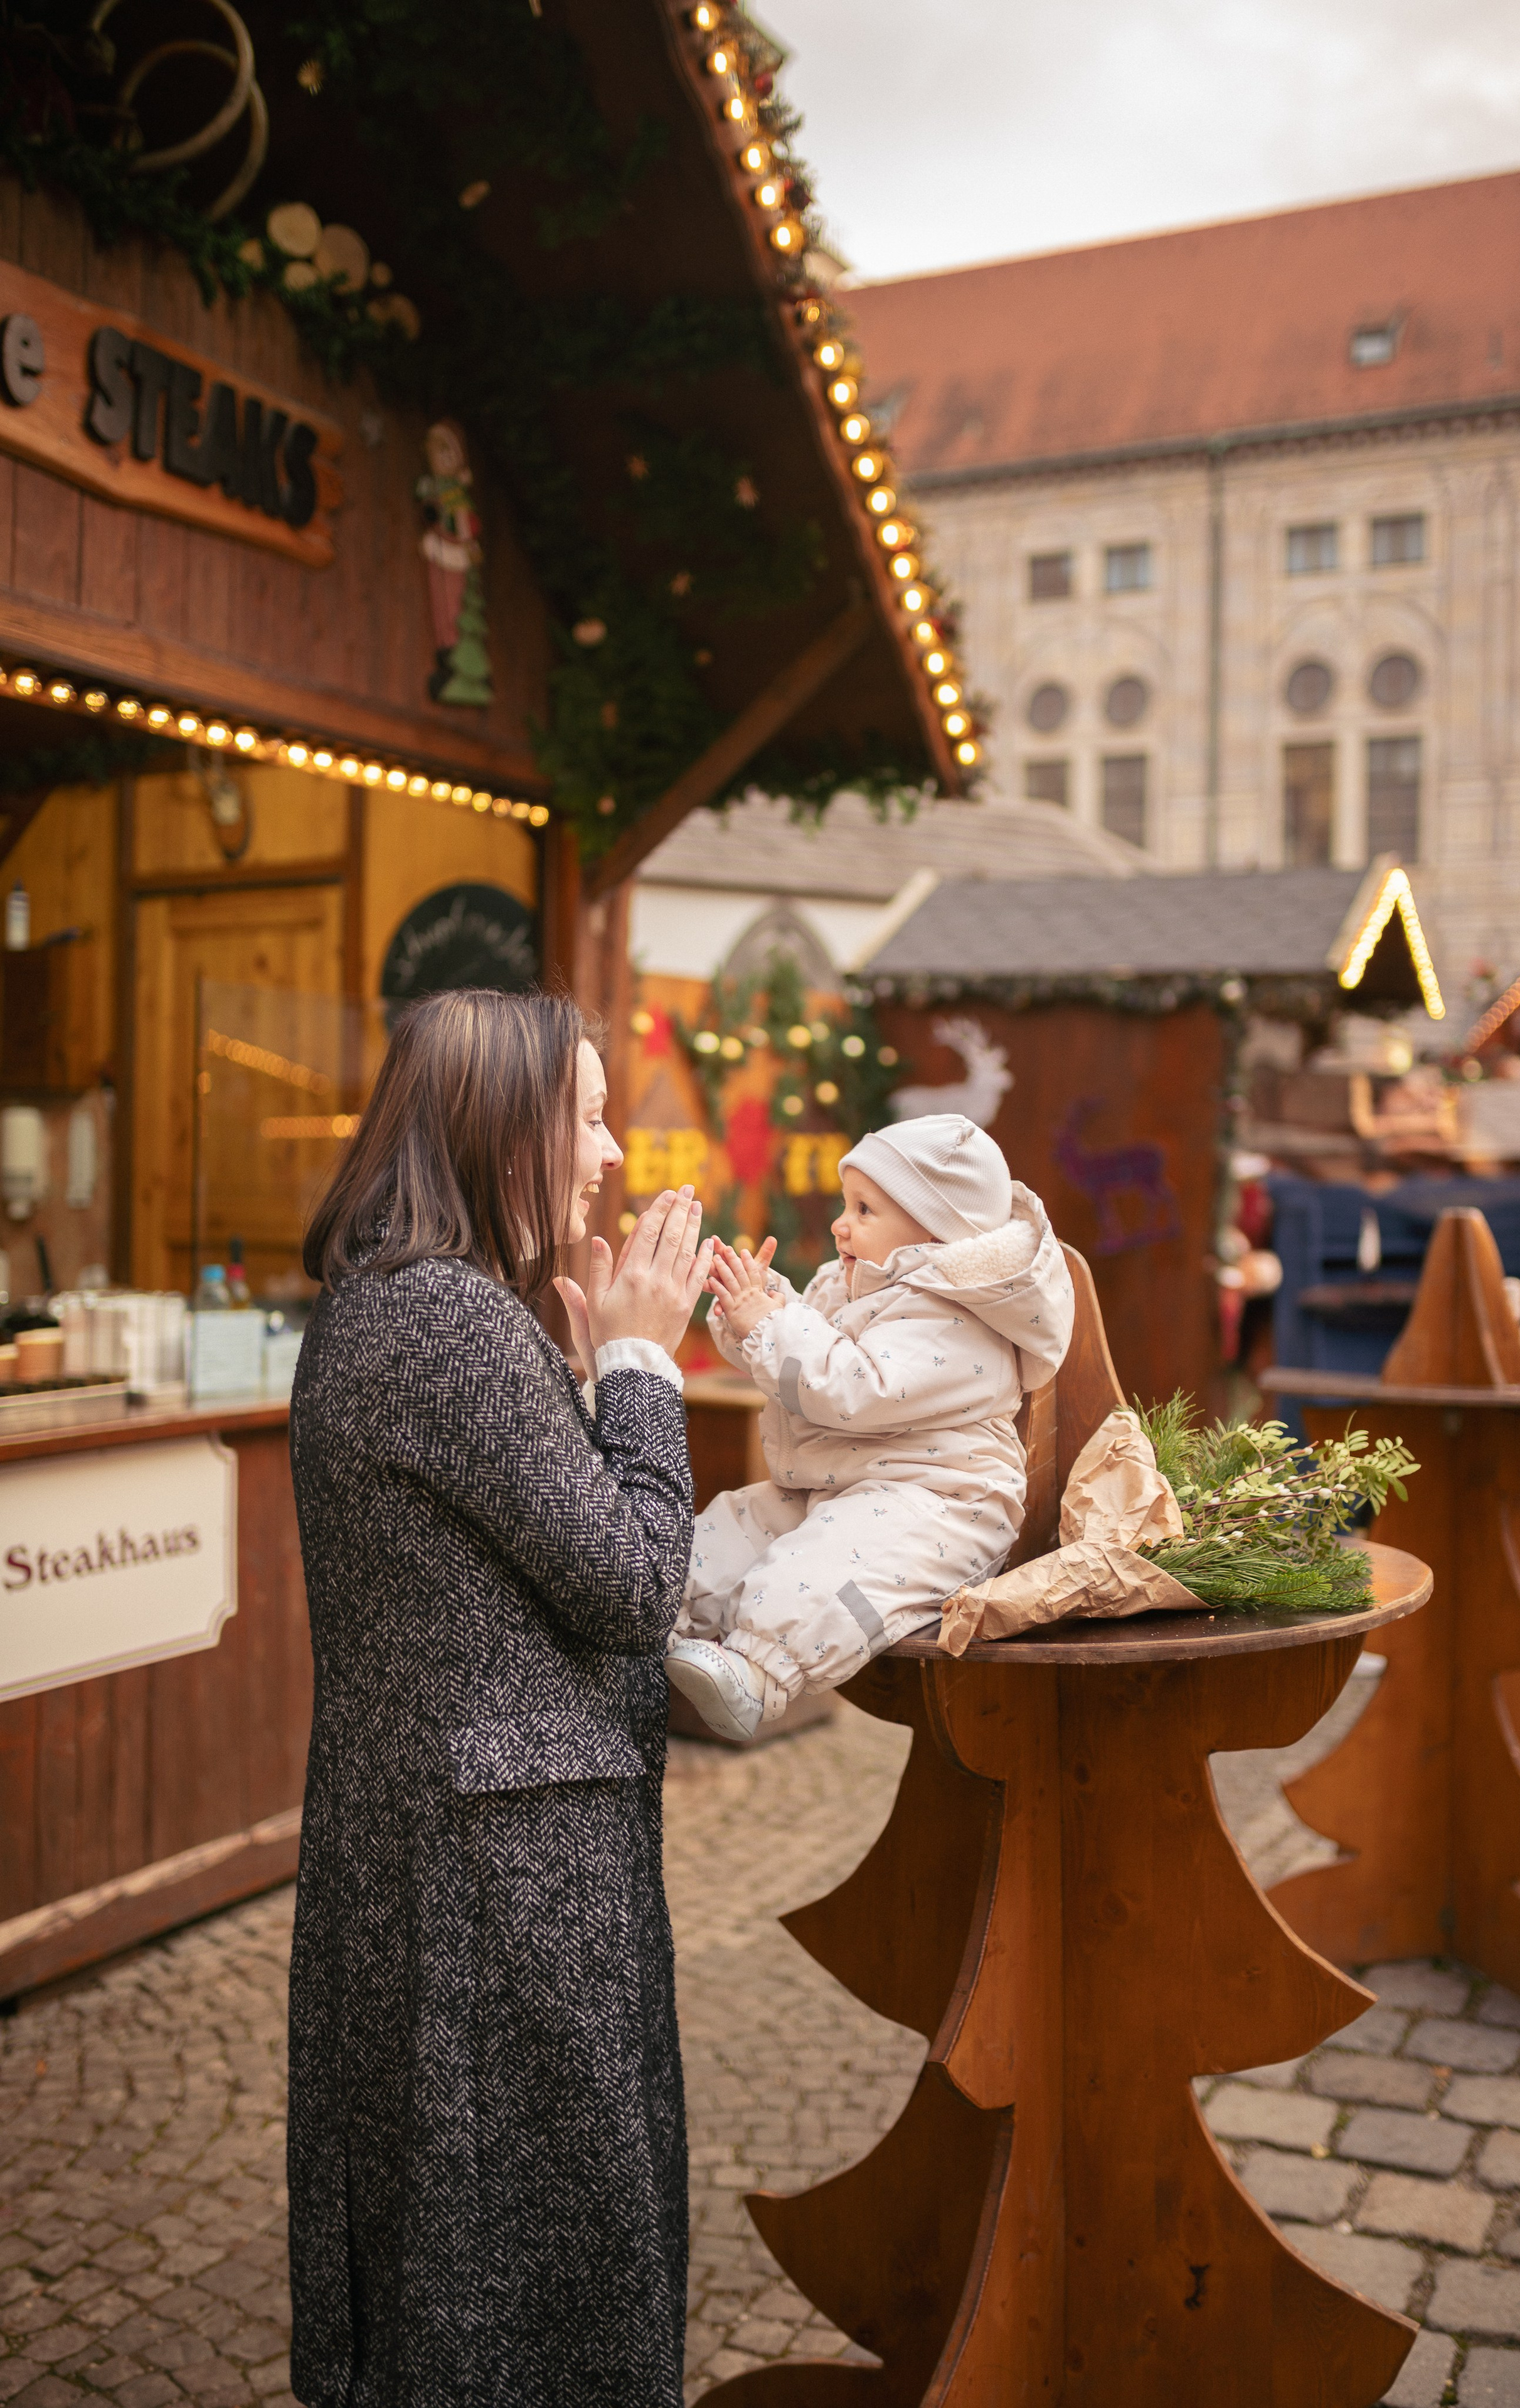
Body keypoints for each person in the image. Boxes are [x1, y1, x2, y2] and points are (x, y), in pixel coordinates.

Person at [286, 988, 712, 2408]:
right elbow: (631, 1582)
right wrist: (646, 1364)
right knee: (513, 2303)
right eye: (585, 1115)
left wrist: (598, 1384)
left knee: (476, 2278)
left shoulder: (411, 1312)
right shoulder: (446, 1325)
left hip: (475, 1867)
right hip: (497, 1899)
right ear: (499, 1127)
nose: (605, 1155)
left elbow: (542, 1549)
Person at [666, 1114, 1075, 1742]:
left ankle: (759, 1671)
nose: (840, 1222)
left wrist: (770, 1325)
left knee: (832, 1564)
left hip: (939, 1502)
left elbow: (851, 1386)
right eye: (844, 1203)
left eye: (864, 1208)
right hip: (845, 1479)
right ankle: (659, 1606)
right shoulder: (858, 1281)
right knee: (735, 1524)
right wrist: (753, 1309)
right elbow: (803, 1350)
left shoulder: (958, 1318)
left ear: (935, 1231)